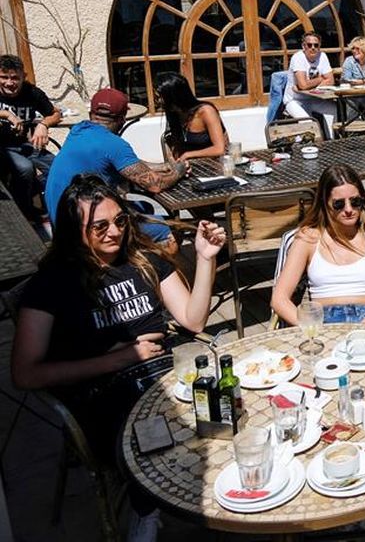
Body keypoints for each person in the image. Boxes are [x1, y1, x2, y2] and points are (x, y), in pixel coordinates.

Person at [12, 175, 225, 541]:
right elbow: (25, 374)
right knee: (157, 433)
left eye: (120, 221)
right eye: (100, 226)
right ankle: (147, 513)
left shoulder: (144, 262)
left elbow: (192, 319)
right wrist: (119, 358)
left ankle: (225, 497)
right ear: (73, 229)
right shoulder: (53, 284)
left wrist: (205, 259)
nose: (114, 232)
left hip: (167, 375)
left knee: (225, 407)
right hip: (106, 394)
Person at [271, 164, 365, 326]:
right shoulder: (308, 239)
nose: (349, 209)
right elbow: (279, 299)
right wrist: (309, 326)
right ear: (324, 204)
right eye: (339, 204)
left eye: (355, 202)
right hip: (323, 323)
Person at [45, 88, 187, 248]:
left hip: (61, 221)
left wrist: (162, 166)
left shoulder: (78, 130)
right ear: (122, 119)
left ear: (92, 114)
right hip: (81, 230)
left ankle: (131, 257)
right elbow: (155, 185)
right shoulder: (114, 144)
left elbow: (124, 162)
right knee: (169, 233)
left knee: (144, 206)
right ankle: (157, 272)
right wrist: (179, 171)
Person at [0, 54, 61, 223]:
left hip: (25, 144)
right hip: (3, 147)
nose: (9, 83)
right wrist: (6, 114)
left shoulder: (32, 93)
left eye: (15, 78)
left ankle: (52, 206)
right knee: (25, 168)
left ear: (23, 77)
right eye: (4, 77)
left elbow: (55, 113)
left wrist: (43, 125)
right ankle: (24, 213)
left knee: (57, 166)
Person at [156, 72, 228, 161]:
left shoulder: (205, 112)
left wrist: (188, 155)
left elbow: (219, 149)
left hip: (216, 164)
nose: (159, 100)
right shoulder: (174, 114)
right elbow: (176, 147)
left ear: (173, 96)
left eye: (161, 97)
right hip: (192, 165)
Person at [284, 31, 337, 132]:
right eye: (309, 45)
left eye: (316, 45)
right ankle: (311, 146)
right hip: (295, 100)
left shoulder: (322, 56)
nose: (313, 48)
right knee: (308, 123)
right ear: (304, 46)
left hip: (314, 98)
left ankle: (332, 139)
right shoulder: (298, 57)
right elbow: (303, 85)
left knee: (336, 110)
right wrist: (321, 78)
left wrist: (310, 85)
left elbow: (331, 81)